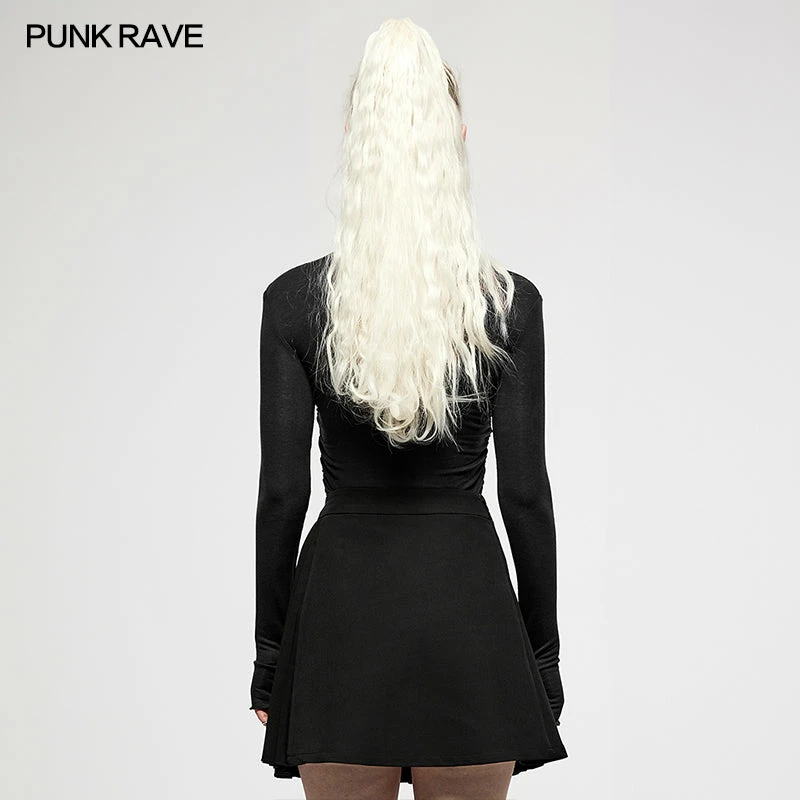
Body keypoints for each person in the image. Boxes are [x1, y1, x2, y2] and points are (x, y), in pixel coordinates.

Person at [249, 17, 568, 800]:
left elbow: (283, 495)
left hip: (339, 621)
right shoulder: (508, 306)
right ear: (455, 137)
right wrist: (542, 657)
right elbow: (526, 496)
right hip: (469, 616)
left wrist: (270, 656)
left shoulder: (293, 302)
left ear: (355, 139)